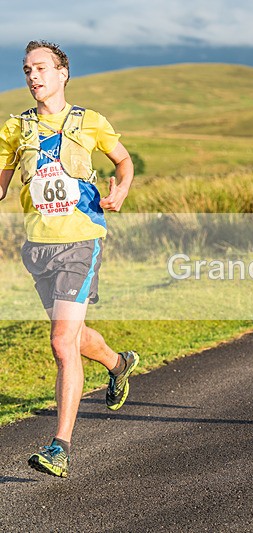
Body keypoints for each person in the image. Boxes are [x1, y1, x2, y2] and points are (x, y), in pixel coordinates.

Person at [0, 41, 139, 478]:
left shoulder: (90, 121)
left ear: (63, 73)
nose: (33, 76)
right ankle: (118, 363)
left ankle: (59, 447)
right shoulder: (14, 129)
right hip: (38, 246)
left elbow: (123, 161)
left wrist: (121, 188)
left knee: (61, 342)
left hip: (81, 241)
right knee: (73, 338)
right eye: (27, 70)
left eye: (41, 68)